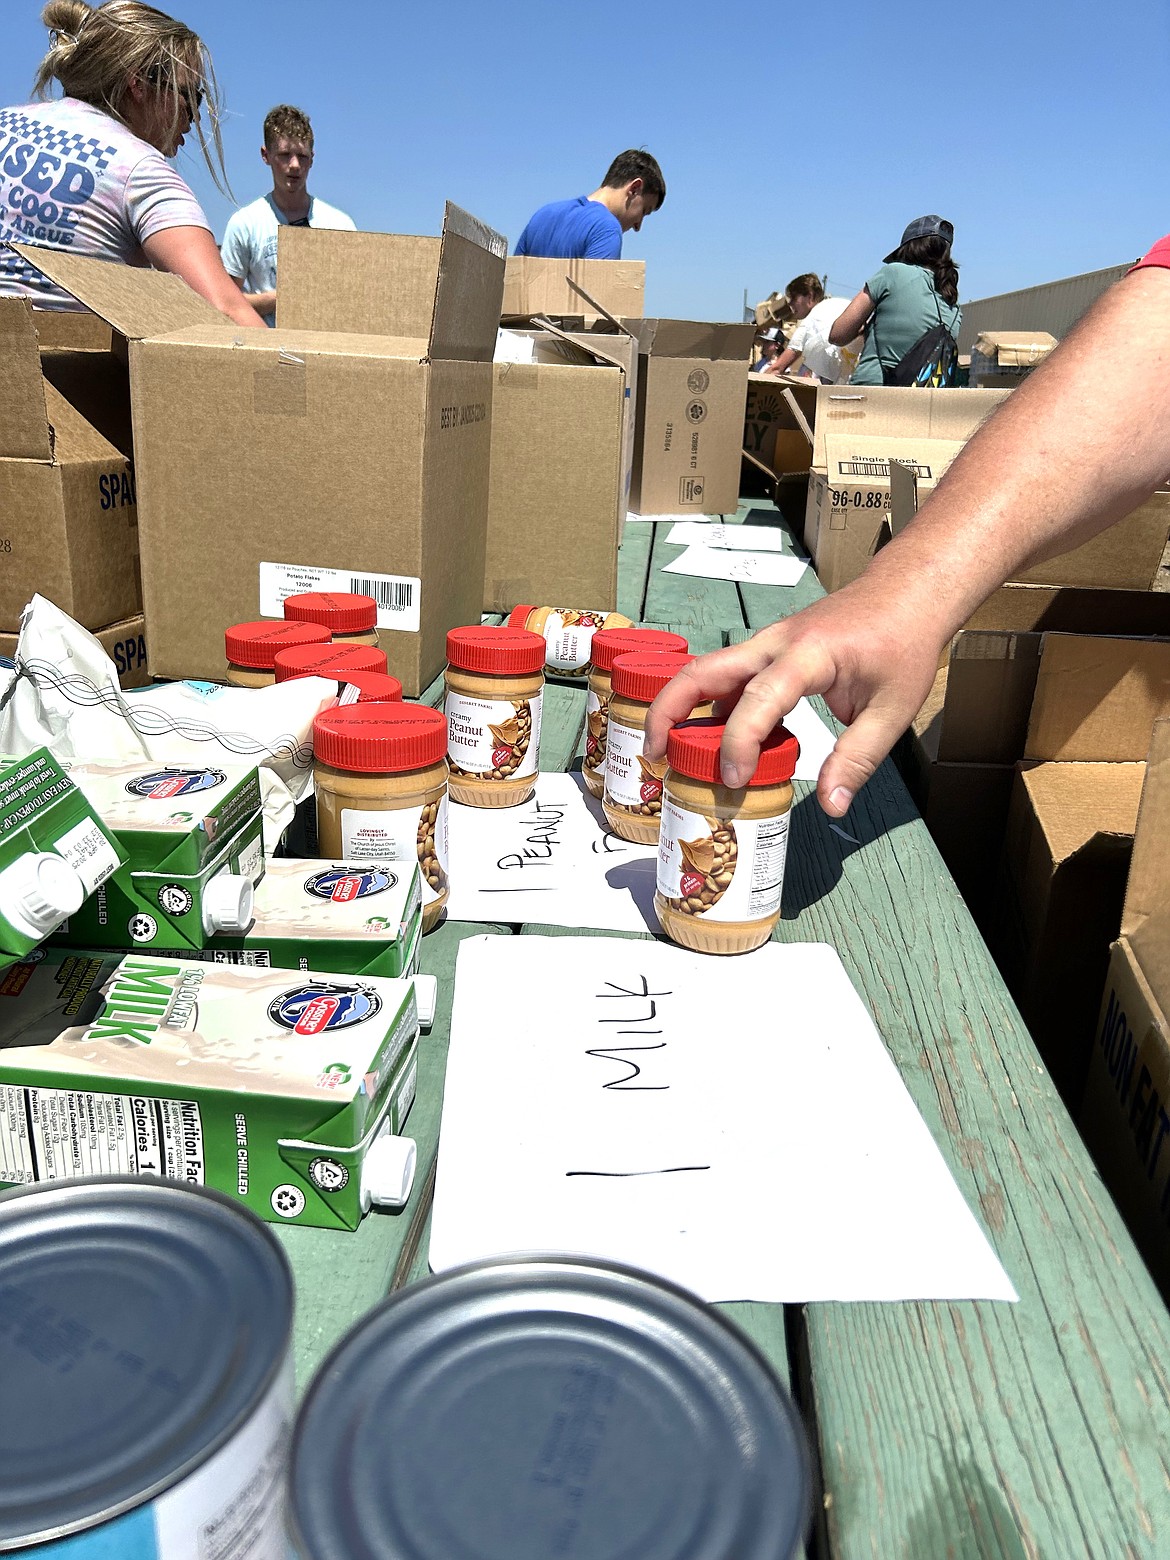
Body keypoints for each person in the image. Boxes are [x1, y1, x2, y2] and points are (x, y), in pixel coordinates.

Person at [644, 242, 1170, 816]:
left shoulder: (885, 277)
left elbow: (843, 332)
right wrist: (904, 597)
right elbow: (1145, 360)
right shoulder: (945, 298)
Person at [0, 0, 265, 328]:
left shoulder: (5, 121)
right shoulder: (140, 170)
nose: (195, 116)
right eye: (190, 96)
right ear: (138, 85)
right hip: (56, 374)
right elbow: (226, 312)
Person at [220, 103, 356, 325]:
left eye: (302, 156)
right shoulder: (244, 224)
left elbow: (354, 298)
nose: (294, 165)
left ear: (312, 159)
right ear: (266, 155)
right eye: (285, 155)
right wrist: (282, 298)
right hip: (267, 349)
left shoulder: (340, 225)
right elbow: (225, 303)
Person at [828, 216, 960, 385]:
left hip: (873, 394)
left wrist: (865, 328)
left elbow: (837, 334)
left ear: (909, 246)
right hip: (924, 405)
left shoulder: (892, 273)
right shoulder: (953, 305)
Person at [514, 149, 665, 260]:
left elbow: (512, 286)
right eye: (644, 211)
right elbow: (595, 300)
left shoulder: (543, 215)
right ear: (634, 188)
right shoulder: (607, 230)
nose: (638, 226)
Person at [762, 273, 856, 383]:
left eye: (793, 298)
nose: (790, 304)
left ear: (810, 297)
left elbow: (777, 368)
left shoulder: (812, 319)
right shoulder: (840, 305)